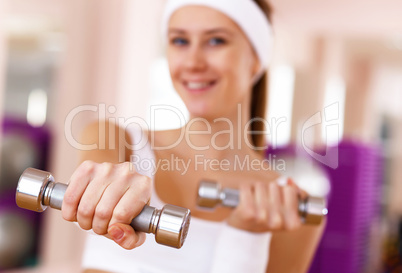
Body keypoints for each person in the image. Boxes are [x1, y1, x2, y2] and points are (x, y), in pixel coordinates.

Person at [61, 0, 326, 272]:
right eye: (179, 41)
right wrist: (107, 188)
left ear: (256, 57)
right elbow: (101, 175)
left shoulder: (292, 209)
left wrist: (246, 238)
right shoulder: (115, 140)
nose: (193, 62)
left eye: (216, 41)